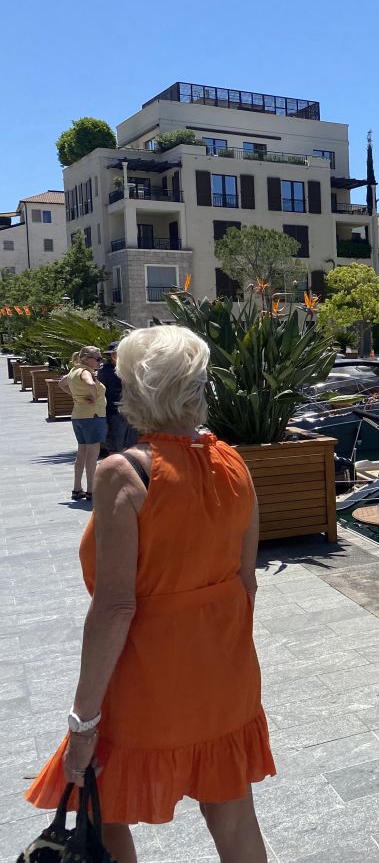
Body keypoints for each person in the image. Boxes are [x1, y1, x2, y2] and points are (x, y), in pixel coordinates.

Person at [25, 325, 274, 863]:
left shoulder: (123, 473)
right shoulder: (234, 463)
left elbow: (116, 606)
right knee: (233, 817)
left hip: (145, 678)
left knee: (102, 810)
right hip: (223, 674)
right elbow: (246, 580)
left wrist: (82, 720)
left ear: (133, 389)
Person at [61, 346, 106, 501]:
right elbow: (91, 385)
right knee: (92, 455)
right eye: (98, 358)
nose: (100, 361)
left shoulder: (74, 371)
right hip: (93, 416)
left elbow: (61, 383)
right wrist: (94, 397)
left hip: (79, 416)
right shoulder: (86, 372)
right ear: (87, 359)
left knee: (81, 453)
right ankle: (91, 490)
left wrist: (75, 396)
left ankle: (76, 488)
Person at [99, 340, 138, 455]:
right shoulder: (105, 370)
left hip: (131, 409)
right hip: (114, 411)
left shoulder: (130, 368)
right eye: (114, 353)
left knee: (132, 442)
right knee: (116, 444)